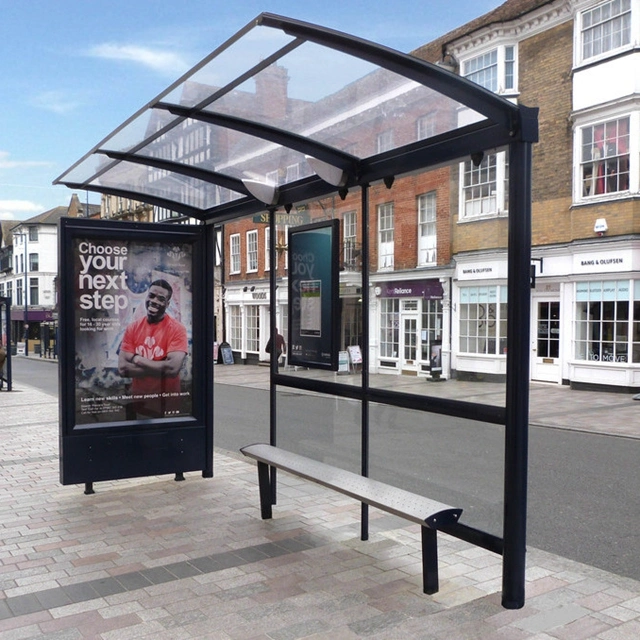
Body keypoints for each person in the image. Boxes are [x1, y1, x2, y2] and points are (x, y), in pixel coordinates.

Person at [118, 279, 188, 418]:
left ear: (167, 304)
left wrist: (137, 359)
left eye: (161, 299)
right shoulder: (133, 328)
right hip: (139, 403)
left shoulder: (177, 329)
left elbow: (172, 369)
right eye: (151, 296)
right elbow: (123, 369)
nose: (154, 301)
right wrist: (160, 367)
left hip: (167, 406)